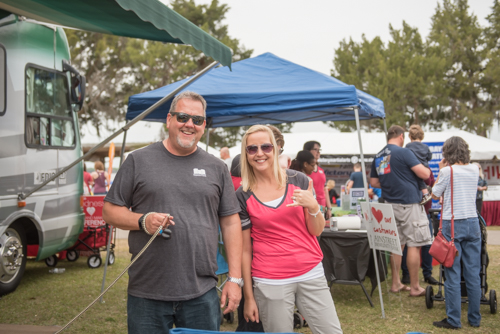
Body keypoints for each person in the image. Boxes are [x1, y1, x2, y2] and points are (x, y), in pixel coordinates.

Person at [102, 91, 243, 333]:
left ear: (203, 125)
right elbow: (109, 211)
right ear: (169, 120)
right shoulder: (138, 161)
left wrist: (235, 279)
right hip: (147, 292)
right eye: (183, 117)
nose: (190, 124)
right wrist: (142, 220)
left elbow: (231, 223)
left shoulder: (217, 168)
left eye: (197, 120)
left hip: (201, 291)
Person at [237, 125, 342, 334]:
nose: (259, 153)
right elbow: (245, 250)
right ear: (246, 154)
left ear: (276, 149)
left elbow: (317, 231)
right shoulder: (242, 194)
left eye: (265, 147)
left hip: (311, 272)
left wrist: (313, 206)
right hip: (269, 279)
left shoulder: (299, 180)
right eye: (252, 149)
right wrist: (248, 297)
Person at [370, 125, 431, 297]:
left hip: (390, 204)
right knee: (414, 244)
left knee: (396, 246)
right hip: (409, 203)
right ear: (402, 137)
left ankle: (396, 283)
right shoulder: (403, 152)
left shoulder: (379, 154)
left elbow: (374, 182)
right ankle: (415, 287)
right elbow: (424, 174)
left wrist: (392, 183)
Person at [431, 137, 481, 330]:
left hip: (452, 224)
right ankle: (474, 319)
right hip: (472, 222)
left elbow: (435, 194)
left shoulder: (446, 171)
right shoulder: (474, 168)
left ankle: (454, 319)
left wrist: (441, 169)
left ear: (447, 153)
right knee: (473, 273)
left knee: (452, 273)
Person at [401, 170, 439, 286]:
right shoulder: (407, 170)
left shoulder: (427, 171)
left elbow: (433, 188)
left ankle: (427, 274)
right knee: (408, 243)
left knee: (427, 243)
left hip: (425, 211)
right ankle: (406, 274)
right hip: (409, 211)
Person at [303, 141, 332, 219]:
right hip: (311, 205)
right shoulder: (305, 169)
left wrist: (329, 208)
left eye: (319, 150)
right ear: (308, 151)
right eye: (315, 149)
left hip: (322, 206)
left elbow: (325, 189)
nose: (318, 152)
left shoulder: (321, 170)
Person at [405, 124, 433, 204]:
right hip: (425, 170)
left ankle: (426, 194)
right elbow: (429, 157)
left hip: (414, 173)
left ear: (410, 136)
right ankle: (426, 193)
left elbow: (405, 157)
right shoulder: (425, 147)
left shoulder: (408, 146)